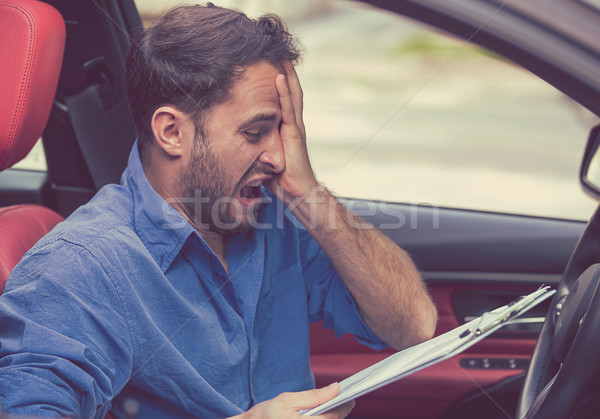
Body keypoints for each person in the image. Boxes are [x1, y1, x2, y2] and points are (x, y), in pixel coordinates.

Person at [0, 3, 436, 418]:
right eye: (255, 132)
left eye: (284, 132)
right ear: (173, 131)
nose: (280, 159)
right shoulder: (81, 267)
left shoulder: (275, 215)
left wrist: (309, 193)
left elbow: (412, 327)